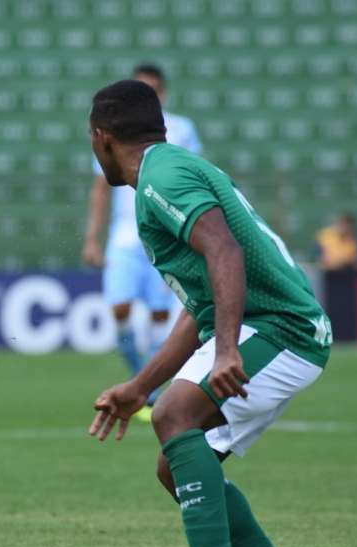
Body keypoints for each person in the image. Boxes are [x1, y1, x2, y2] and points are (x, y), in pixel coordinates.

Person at [87, 80, 332, 547]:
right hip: (261, 326)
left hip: (284, 329)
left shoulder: (161, 180)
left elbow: (225, 249)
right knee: (176, 467)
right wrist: (139, 385)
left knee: (175, 416)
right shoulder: (168, 169)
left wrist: (224, 352)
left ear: (100, 137)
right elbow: (200, 300)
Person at [83, 64, 202, 419]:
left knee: (159, 316)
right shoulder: (112, 131)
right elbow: (101, 187)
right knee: (119, 308)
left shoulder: (180, 130)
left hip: (163, 233)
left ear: (162, 94)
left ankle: (150, 391)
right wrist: (93, 237)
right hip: (124, 236)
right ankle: (140, 377)